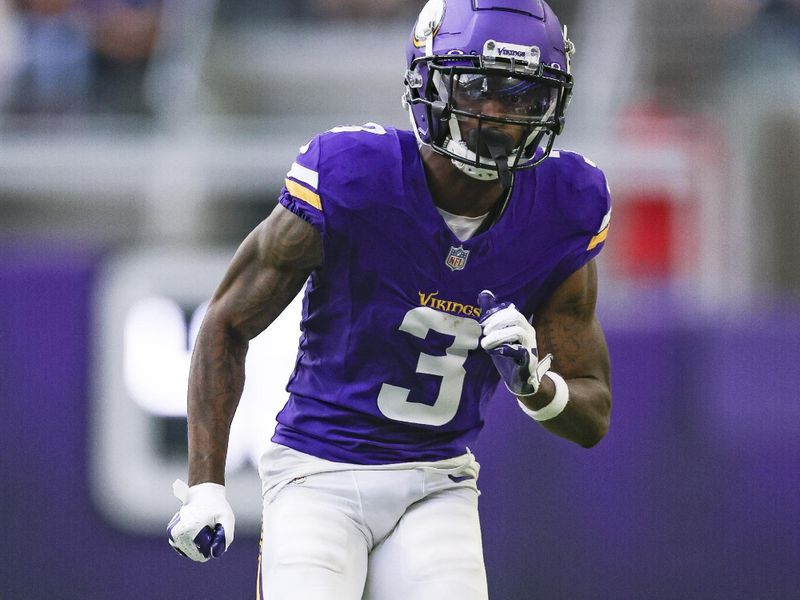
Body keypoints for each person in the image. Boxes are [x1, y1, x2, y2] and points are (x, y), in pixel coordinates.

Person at [167, 1, 612, 598]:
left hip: (438, 480)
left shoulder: (566, 203)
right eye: (480, 87)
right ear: (429, 80)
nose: (501, 114)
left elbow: (593, 413)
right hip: (317, 472)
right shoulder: (354, 176)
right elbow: (226, 323)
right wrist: (205, 485)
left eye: (524, 95)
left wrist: (535, 385)